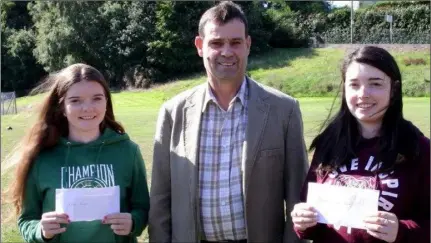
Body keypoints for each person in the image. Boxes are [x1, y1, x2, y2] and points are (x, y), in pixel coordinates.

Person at [149, 2, 308, 243]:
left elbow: (298, 197)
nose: (226, 51)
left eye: (235, 42)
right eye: (216, 43)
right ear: (200, 46)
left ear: (248, 45)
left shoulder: (284, 109)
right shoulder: (173, 112)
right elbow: (160, 198)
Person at [291, 46, 430, 243]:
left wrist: (401, 231)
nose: (363, 93)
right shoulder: (329, 143)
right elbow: (310, 223)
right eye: (354, 85)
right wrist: (302, 221)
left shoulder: (418, 148)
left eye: (375, 83)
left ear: (394, 89)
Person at [4, 63, 150, 243]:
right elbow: (27, 220)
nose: (87, 108)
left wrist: (133, 222)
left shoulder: (128, 151)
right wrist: (41, 230)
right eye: (75, 100)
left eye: (97, 98)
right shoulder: (41, 157)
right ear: (62, 107)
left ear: (107, 102)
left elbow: (143, 208)